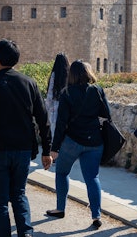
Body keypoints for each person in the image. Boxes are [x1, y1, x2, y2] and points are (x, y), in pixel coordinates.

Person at [0, 40, 52, 237]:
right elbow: (43, 119)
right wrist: (46, 150)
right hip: (23, 148)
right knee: (19, 194)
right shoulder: (29, 83)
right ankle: (26, 233)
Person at [45, 60, 111, 228]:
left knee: (61, 173)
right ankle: (96, 216)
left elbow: (61, 123)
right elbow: (106, 114)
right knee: (92, 178)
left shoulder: (67, 93)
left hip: (72, 141)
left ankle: (60, 208)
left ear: (72, 74)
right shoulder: (97, 90)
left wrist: (54, 149)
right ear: (89, 73)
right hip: (95, 141)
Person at [45, 53, 70, 136]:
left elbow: (49, 97)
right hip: (68, 109)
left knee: (56, 136)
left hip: (55, 111)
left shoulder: (54, 75)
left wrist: (47, 110)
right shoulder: (70, 75)